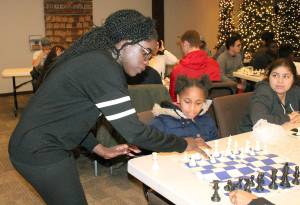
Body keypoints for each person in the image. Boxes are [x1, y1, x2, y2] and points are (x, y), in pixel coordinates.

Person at [8, 10, 210, 205]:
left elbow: (73, 115)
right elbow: (136, 133)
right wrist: (184, 143)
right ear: (125, 42)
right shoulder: (104, 68)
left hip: (37, 143)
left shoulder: (98, 60)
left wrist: (99, 148)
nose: (146, 62)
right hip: (39, 149)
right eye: (146, 53)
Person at [239, 58, 300, 133]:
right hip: (251, 137)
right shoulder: (263, 91)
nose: (280, 81)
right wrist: (288, 117)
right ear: (269, 76)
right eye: (275, 75)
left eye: (286, 76)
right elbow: (259, 120)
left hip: (282, 134)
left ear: (293, 79)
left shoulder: (295, 90)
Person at [150, 75, 218, 141]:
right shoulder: (162, 122)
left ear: (204, 102)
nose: (192, 108)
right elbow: (150, 146)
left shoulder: (207, 120)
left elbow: (215, 144)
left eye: (198, 103)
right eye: (187, 102)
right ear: (178, 98)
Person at [169, 30, 221, 102]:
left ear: (186, 44)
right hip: (211, 109)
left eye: (181, 46)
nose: (182, 50)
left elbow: (174, 100)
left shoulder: (178, 70)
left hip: (187, 111)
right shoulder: (214, 64)